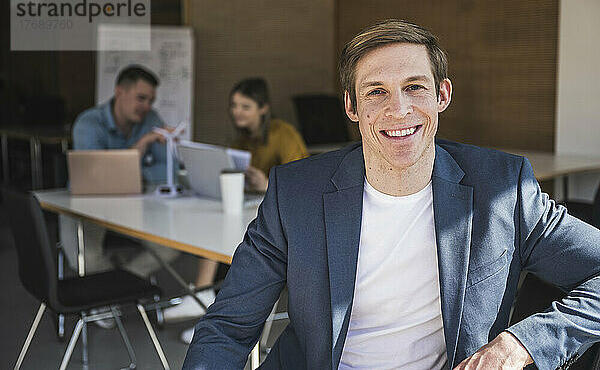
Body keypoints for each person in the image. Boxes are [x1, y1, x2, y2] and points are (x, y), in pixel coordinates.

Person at [182, 19, 600, 369]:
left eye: (415, 87)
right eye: (376, 91)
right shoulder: (296, 194)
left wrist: (522, 343)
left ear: (442, 96)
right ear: (351, 107)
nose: (398, 109)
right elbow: (228, 327)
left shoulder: (503, 189)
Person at [164, 77, 308, 344]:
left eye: (245, 106)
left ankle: (206, 299)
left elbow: (303, 183)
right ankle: (210, 309)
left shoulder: (282, 134)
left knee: (227, 226)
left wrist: (266, 183)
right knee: (218, 219)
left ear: (263, 108)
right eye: (234, 105)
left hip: (287, 216)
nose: (236, 111)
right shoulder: (242, 140)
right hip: (255, 208)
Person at [60, 65, 180, 284]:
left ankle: (118, 284)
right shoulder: (88, 123)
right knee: (83, 258)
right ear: (119, 92)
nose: (146, 106)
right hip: (86, 204)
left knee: (172, 246)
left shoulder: (151, 119)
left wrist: (134, 175)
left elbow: (171, 169)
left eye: (150, 101)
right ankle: (113, 292)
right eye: (141, 98)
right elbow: (95, 175)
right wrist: (141, 145)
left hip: (132, 204)